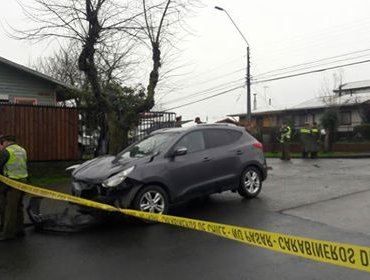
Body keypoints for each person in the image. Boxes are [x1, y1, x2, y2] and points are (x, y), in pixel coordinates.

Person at [0, 135, 29, 241]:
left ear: (6, 141)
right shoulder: (22, 150)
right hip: (23, 182)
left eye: (3, 142)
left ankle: (7, 234)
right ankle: (19, 230)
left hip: (11, 183)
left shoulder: (6, 151)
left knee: (10, 209)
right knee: (18, 207)